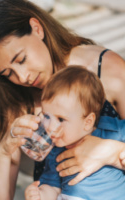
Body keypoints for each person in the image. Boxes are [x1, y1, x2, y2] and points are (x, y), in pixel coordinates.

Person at [0, 0, 125, 199]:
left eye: (21, 59)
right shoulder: (16, 95)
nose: (22, 77)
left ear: (37, 29)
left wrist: (111, 151)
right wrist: (4, 151)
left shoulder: (107, 71)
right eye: (7, 73)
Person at [25, 66, 125, 200]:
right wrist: (40, 194)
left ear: (88, 122)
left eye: (61, 119)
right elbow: (52, 186)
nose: (50, 126)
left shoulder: (112, 130)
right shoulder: (55, 151)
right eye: (47, 116)